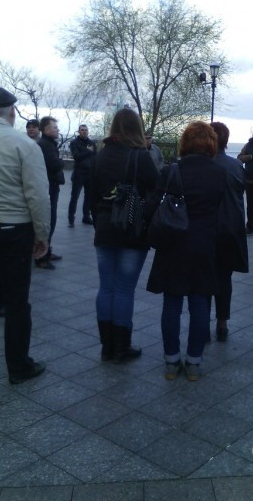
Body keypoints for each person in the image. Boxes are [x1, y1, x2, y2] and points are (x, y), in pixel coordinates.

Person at [147, 121, 226, 381]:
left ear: (185, 143)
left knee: (172, 304)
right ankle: (193, 362)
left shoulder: (172, 170)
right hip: (204, 245)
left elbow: (152, 203)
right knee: (200, 304)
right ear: (211, 144)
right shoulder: (219, 173)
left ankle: (172, 361)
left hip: (174, 243)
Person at [0, 87, 50, 384]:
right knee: (17, 301)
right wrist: (42, 235)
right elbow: (37, 196)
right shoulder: (24, 145)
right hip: (14, 230)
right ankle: (19, 367)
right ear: (11, 112)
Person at [91, 108, 158, 364]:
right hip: (132, 228)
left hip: (105, 226)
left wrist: (99, 219)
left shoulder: (101, 154)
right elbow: (156, 188)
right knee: (124, 289)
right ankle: (121, 347)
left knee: (106, 286)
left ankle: (106, 346)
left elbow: (92, 193)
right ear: (136, 128)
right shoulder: (140, 156)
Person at [211, 122, 249, 341]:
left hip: (208, 228)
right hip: (230, 227)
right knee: (224, 278)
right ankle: (222, 322)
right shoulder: (236, 165)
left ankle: (202, 321)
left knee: (204, 276)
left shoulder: (204, 164)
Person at [37, 117, 65, 269]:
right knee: (48, 221)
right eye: (55, 127)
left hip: (51, 185)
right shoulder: (46, 145)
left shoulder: (47, 144)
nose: (57, 129)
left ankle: (46, 251)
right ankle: (42, 257)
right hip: (49, 186)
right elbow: (54, 165)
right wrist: (61, 162)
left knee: (50, 221)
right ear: (46, 130)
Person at [68, 124, 97, 227]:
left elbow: (95, 157)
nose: (84, 131)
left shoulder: (92, 143)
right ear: (79, 131)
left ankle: (86, 217)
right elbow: (76, 157)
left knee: (88, 197)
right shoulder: (74, 143)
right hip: (79, 174)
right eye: (82, 130)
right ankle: (71, 218)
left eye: (86, 130)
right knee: (74, 197)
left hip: (90, 173)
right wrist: (88, 151)